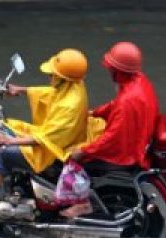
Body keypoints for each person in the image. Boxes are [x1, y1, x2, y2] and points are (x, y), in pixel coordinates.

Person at [0, 48, 94, 204]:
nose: (49, 77)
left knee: (3, 154)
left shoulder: (70, 106)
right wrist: (21, 90)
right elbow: (52, 94)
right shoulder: (75, 85)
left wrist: (9, 141)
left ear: (63, 78)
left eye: (53, 75)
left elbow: (46, 139)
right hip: (53, 137)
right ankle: (1, 177)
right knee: (9, 125)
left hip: (53, 149)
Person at [61, 41, 160, 218]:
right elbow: (115, 105)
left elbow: (112, 137)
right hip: (138, 139)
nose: (109, 71)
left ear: (118, 71)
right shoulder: (139, 83)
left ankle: (82, 204)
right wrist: (94, 113)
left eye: (111, 68)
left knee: (69, 158)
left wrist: (83, 151)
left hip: (127, 152)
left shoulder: (127, 101)